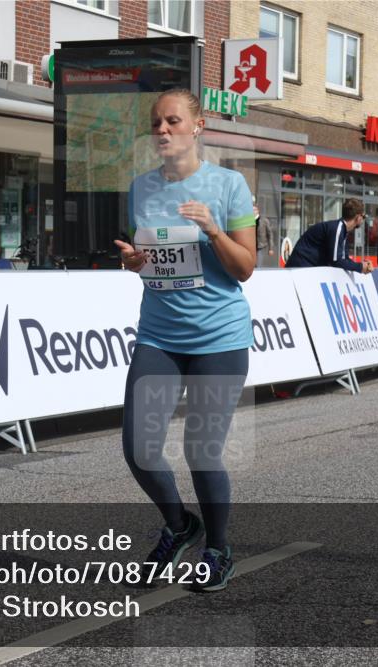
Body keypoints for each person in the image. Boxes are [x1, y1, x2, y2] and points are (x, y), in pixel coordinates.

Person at [113, 89, 256, 593]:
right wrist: (134, 261)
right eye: (156, 123)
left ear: (197, 126)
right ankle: (179, 526)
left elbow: (245, 270)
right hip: (159, 334)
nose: (163, 131)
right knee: (138, 448)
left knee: (201, 449)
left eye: (173, 121)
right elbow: (152, 261)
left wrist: (214, 231)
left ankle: (217, 548)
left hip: (219, 336)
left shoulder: (228, 185)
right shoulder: (141, 189)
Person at [285, 198, 373, 272]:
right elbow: (336, 261)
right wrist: (360, 267)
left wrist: (362, 265)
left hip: (306, 268)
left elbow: (344, 259)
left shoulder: (342, 229)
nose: (363, 220)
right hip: (299, 268)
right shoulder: (337, 228)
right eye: (363, 216)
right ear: (358, 218)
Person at [254, 203, 274, 267]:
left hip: (261, 246)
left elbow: (270, 234)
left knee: (259, 265)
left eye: (254, 210)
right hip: (252, 246)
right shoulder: (249, 220)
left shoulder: (264, 220)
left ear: (258, 210)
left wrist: (271, 248)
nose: (253, 211)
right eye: (252, 210)